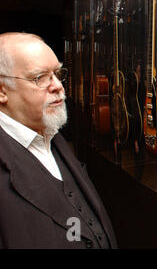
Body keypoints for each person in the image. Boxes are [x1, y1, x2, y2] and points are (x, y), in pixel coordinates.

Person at [0, 32, 117, 249]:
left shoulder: (53, 136)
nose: (58, 86)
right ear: (2, 91)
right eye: (39, 77)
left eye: (56, 74)